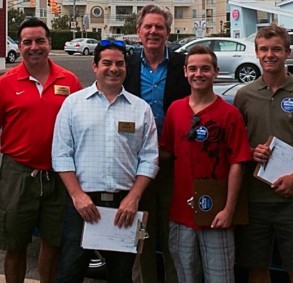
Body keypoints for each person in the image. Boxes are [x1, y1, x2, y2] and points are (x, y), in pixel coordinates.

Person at [52, 40, 159, 283]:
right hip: (82, 205)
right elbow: (61, 154)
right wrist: (77, 195)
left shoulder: (140, 109)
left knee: (121, 275)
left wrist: (133, 198)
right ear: (95, 66)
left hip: (124, 208)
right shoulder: (73, 104)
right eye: (107, 63)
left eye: (119, 63)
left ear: (126, 67)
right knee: (69, 272)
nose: (113, 69)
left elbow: (150, 158)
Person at [159, 45, 252, 283]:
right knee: (185, 275)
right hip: (180, 212)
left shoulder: (229, 114)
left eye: (205, 68)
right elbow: (165, 153)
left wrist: (229, 209)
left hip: (216, 211)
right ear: (185, 72)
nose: (198, 73)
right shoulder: (175, 110)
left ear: (215, 72)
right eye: (193, 68)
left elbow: (238, 164)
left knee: (220, 277)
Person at [0, 17, 82, 283]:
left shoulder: (69, 81)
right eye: (27, 42)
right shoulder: (6, 83)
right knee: (15, 243)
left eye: (40, 41)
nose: (34, 47)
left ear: (49, 43)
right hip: (17, 173)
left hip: (59, 175)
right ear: (19, 46)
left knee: (53, 241)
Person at [123, 5, 191, 283]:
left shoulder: (183, 64)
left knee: (174, 233)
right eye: (148, 27)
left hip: (174, 164)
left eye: (159, 27)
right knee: (141, 233)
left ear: (168, 32)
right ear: (138, 32)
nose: (153, 32)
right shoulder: (125, 66)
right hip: (136, 166)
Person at [234, 23, 293, 283]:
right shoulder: (244, 95)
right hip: (255, 198)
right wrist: (250, 152)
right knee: (257, 268)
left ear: (287, 52)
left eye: (276, 49)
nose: (269, 55)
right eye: (264, 49)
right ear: (256, 52)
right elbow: (235, 145)